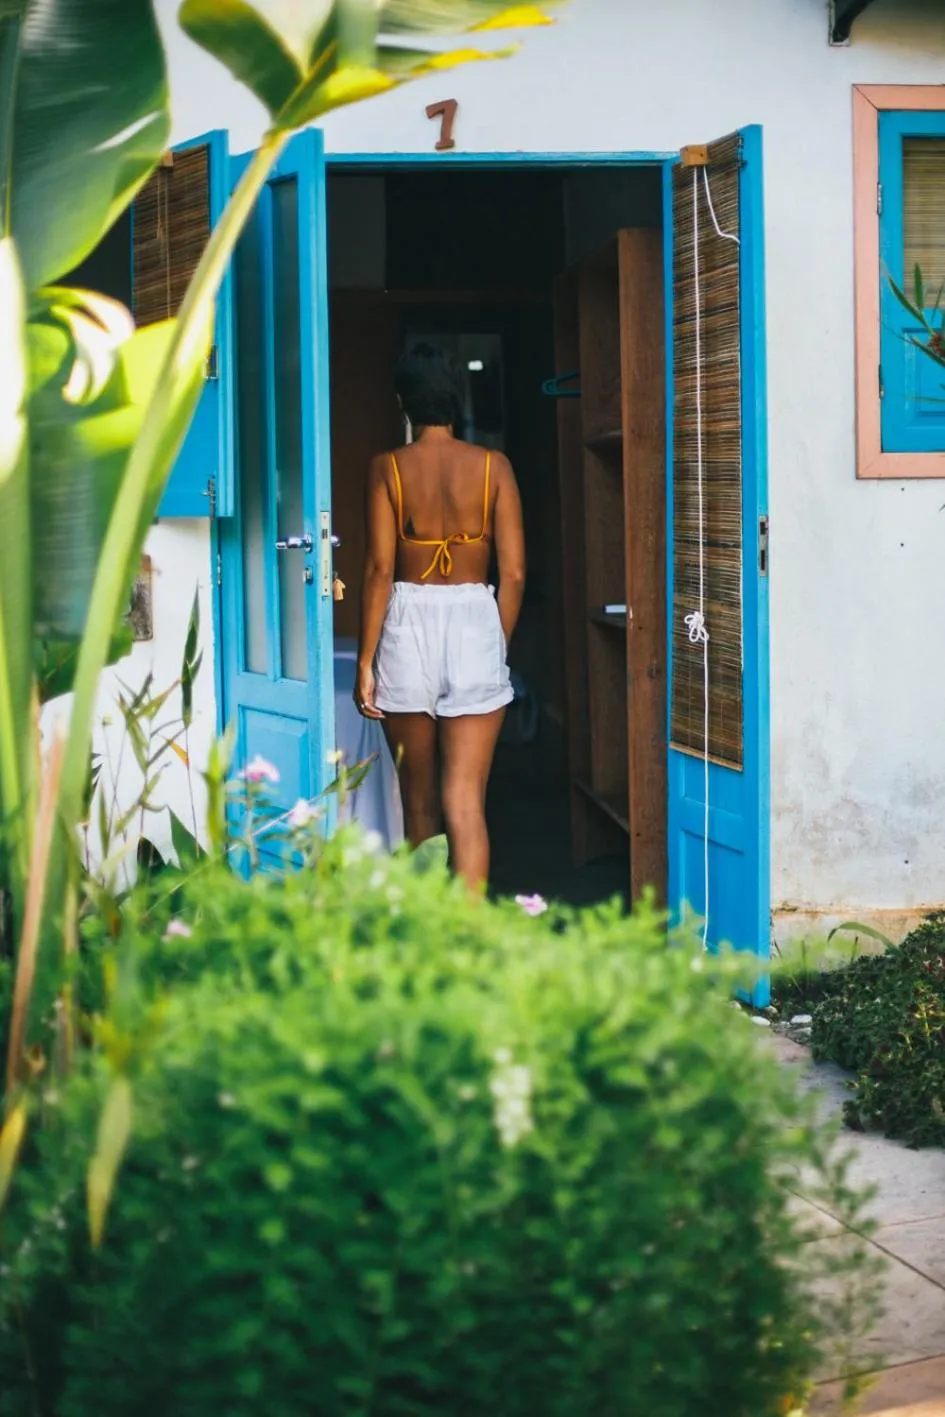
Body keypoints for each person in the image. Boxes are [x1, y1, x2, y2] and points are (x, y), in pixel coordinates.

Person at [355, 344, 526, 894]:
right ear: (456, 397)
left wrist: (365, 660)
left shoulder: (388, 468)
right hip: (477, 615)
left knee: (419, 801)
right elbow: (516, 574)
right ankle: (468, 945)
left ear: (403, 400)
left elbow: (381, 567)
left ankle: (426, 942)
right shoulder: (493, 467)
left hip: (407, 622)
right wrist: (491, 645)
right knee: (465, 802)